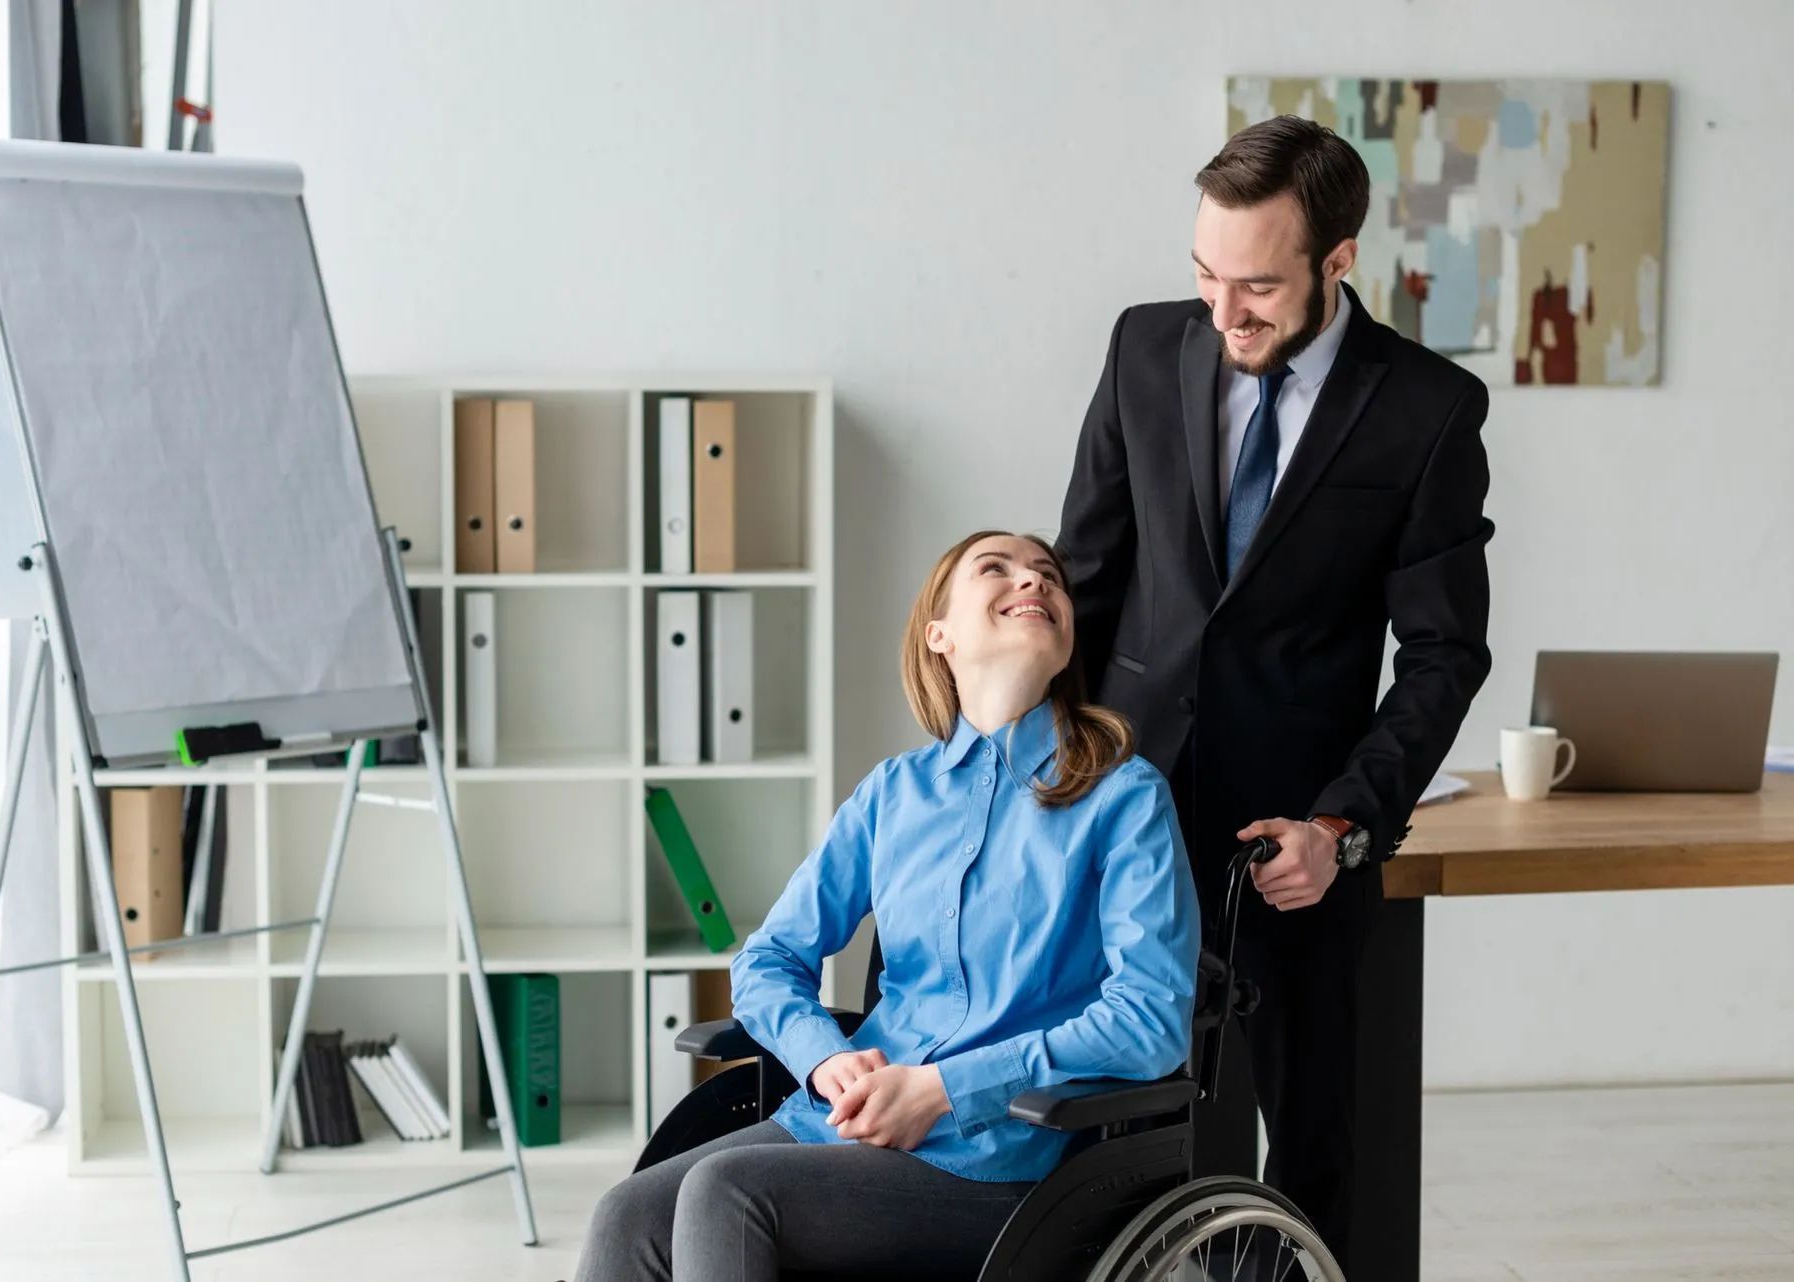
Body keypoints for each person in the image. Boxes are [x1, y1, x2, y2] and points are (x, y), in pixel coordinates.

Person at [1055, 113, 1494, 1267]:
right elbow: (1087, 582)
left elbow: (1444, 653)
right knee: (1121, 1149)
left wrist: (1344, 822)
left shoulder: (1426, 410)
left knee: (1309, 1159)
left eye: (1255, 286)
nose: (1222, 310)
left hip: (1295, 842)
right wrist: (1050, 773)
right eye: (1204, 274)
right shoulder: (1144, 350)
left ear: (1337, 259)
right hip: (1127, 823)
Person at [574, 530, 1200, 1281]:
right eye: (995, 570)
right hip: (841, 1123)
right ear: (939, 635)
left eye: (1049, 577)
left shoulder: (1123, 797)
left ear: (1067, 639)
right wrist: (824, 1058)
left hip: (1003, 1161)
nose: (1034, 584)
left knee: (727, 1192)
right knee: (627, 1214)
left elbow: (1151, 1020)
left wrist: (943, 1090)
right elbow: (769, 960)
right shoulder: (894, 795)